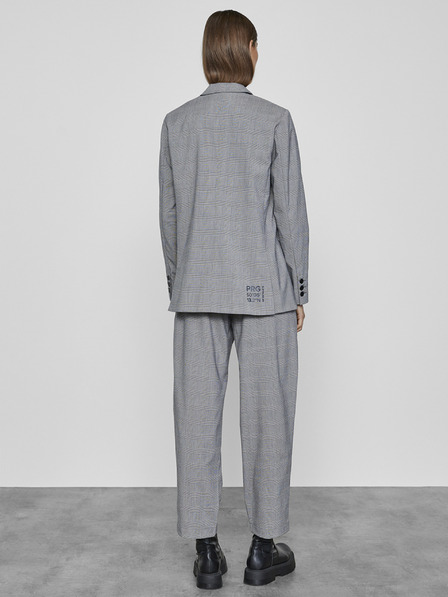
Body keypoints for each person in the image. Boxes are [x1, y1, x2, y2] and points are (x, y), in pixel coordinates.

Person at [158, 9, 309, 589]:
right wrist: (299, 287)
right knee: (269, 417)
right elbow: (291, 212)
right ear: (246, 49)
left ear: (207, 53)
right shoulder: (274, 120)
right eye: (256, 45)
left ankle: (205, 553)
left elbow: (170, 217)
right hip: (265, 290)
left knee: (196, 417)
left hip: (197, 289)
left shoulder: (176, 123)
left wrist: (182, 282)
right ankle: (262, 551)